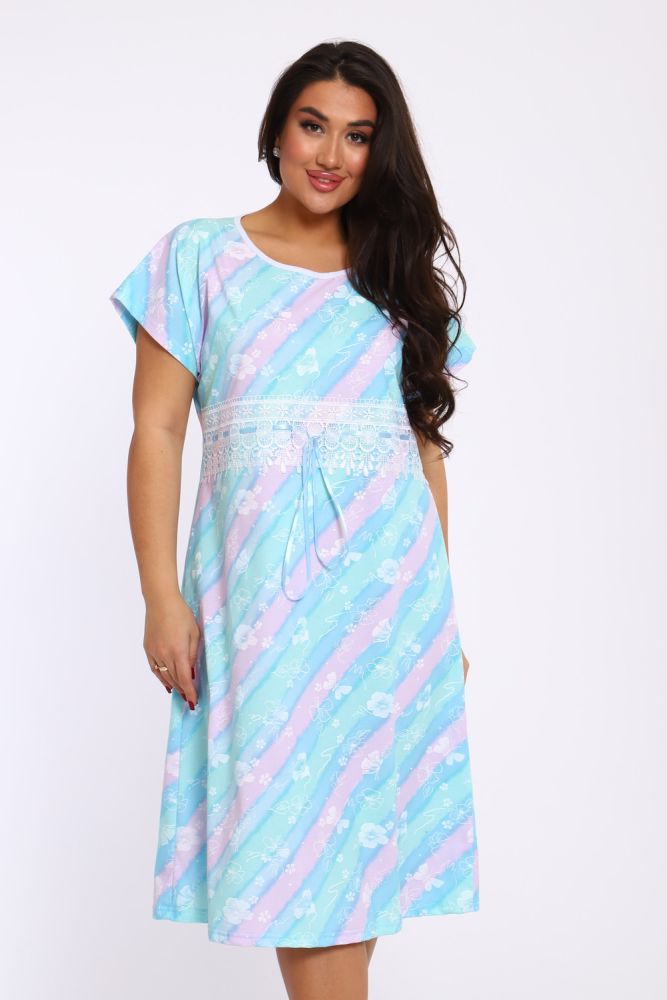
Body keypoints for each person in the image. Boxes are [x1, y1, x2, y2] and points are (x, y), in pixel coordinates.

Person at [109, 38, 479, 1000]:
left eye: (358, 136)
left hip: (388, 610)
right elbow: (157, 430)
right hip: (264, 615)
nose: (331, 154)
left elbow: (422, 455)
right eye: (313, 125)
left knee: (356, 866)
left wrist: (440, 616)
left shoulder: (397, 277)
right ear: (275, 130)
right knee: (296, 861)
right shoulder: (201, 257)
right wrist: (160, 597)